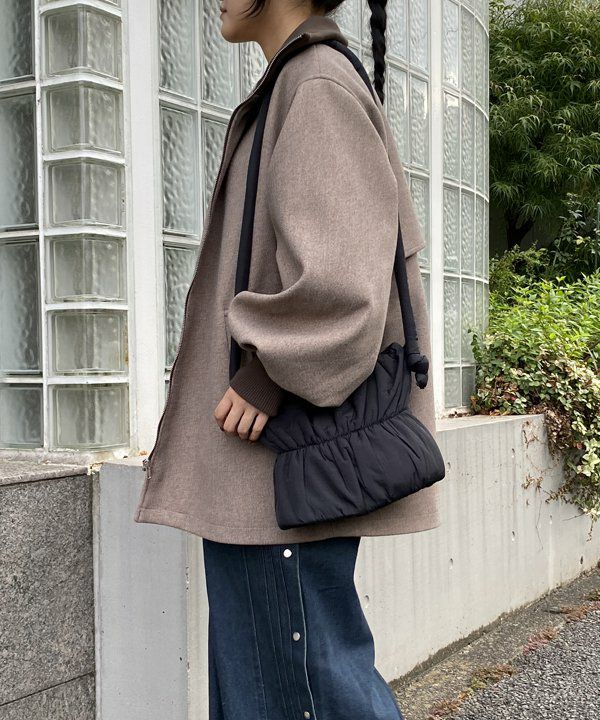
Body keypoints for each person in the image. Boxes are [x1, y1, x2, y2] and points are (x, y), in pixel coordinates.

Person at [134, 1, 442, 717]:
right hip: (272, 484)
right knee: (282, 693)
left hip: (278, 477)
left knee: (299, 696)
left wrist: (269, 372)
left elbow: (345, 284)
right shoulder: (298, 84)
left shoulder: (315, 85)